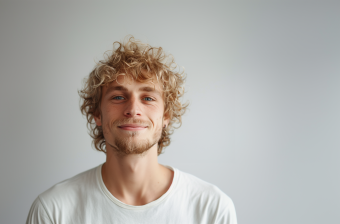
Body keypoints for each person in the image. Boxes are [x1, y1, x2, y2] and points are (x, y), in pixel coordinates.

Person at [26, 36, 237, 224]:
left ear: (166, 116)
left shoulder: (212, 209)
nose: (133, 110)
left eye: (148, 98)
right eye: (118, 97)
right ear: (97, 114)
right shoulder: (53, 210)